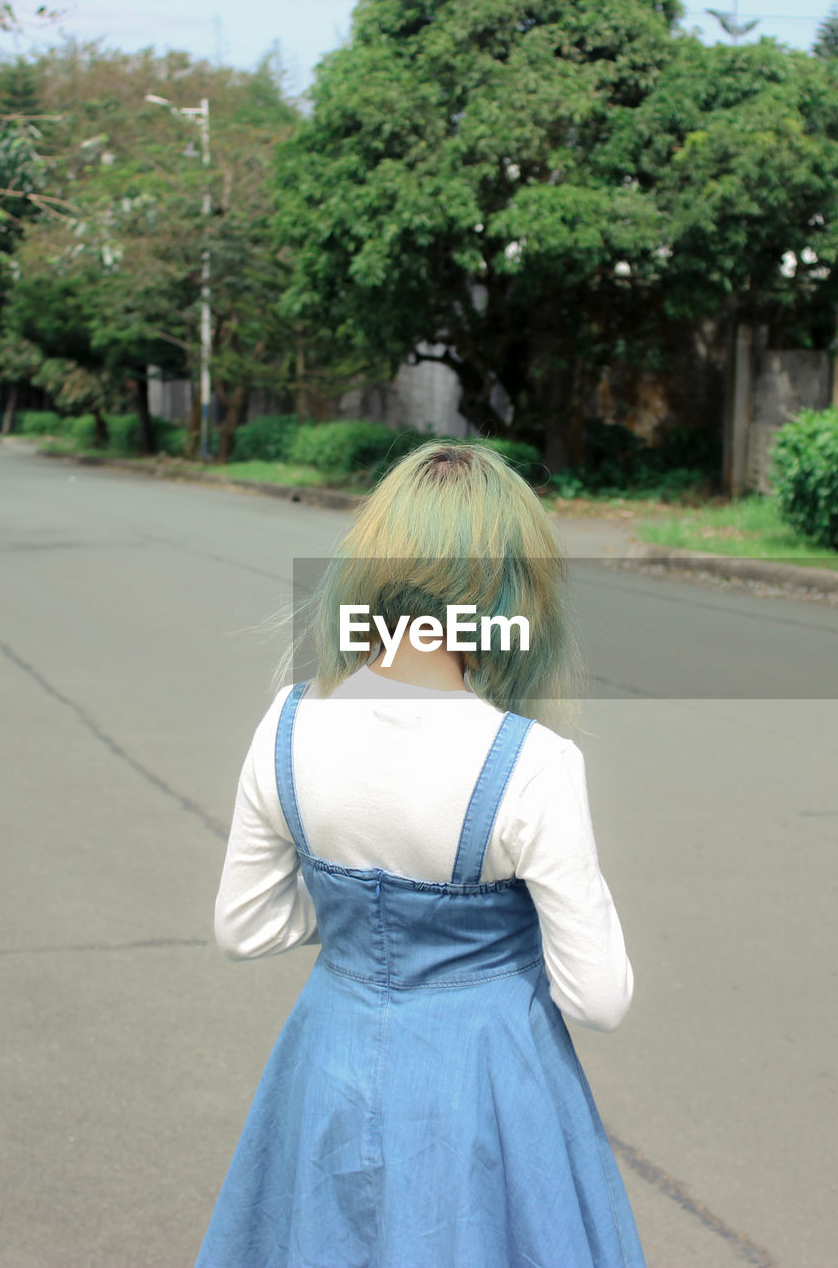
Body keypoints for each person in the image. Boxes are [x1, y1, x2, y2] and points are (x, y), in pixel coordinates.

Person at [195, 440, 645, 1268]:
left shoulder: (288, 724)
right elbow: (599, 996)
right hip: (486, 1095)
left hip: (328, 1062)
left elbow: (245, 927)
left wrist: (356, 912)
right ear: (513, 591)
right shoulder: (531, 763)